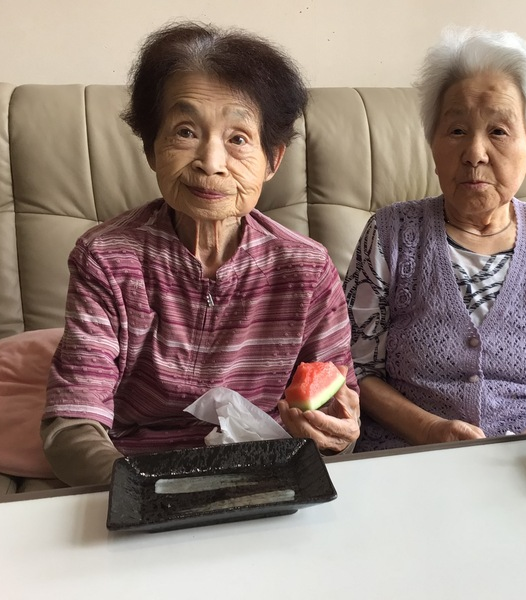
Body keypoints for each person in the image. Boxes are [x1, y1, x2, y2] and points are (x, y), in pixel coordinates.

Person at [41, 22, 360, 485]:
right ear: (152, 149)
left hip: (262, 472)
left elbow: (337, 406)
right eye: (186, 131)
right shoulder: (105, 260)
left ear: (273, 160)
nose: (211, 163)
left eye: (238, 139)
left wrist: (337, 435)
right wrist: (145, 491)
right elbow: (72, 424)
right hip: (134, 473)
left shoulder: (307, 269)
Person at [344, 27, 526, 452]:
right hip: (406, 458)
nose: (475, 152)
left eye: (499, 131)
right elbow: (351, 366)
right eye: (456, 130)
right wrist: (429, 431)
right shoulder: (389, 234)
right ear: (432, 145)